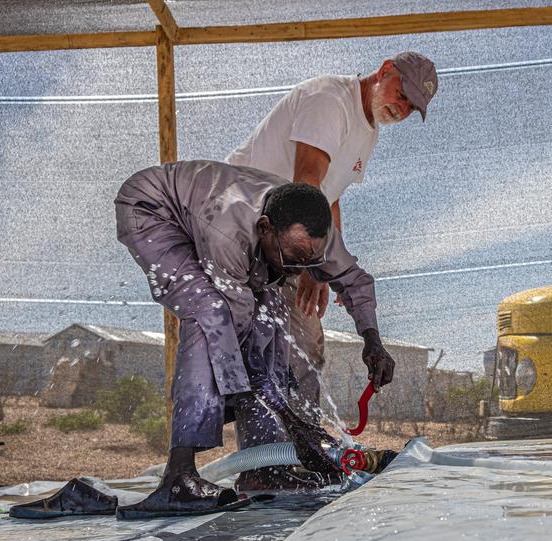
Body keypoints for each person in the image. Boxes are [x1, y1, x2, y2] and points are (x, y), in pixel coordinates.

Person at [112, 160, 395, 518]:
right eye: (290, 260)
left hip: (215, 217)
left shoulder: (312, 236)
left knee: (273, 317)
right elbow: (231, 333)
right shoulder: (228, 233)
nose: (296, 271)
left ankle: (264, 471)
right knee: (209, 313)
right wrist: (289, 418)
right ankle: (178, 476)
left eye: (306, 263)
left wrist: (373, 340)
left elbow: (354, 280)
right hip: (153, 210)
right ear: (265, 228)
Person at [226, 51, 438, 411]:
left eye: (411, 108)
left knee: (305, 345)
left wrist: (328, 268)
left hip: (285, 236)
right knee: (265, 346)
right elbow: (307, 181)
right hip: (239, 226)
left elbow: (330, 197)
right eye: (401, 95)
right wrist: (314, 264)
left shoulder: (368, 132)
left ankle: (296, 449)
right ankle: (262, 457)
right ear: (385, 71)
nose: (401, 110)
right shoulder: (330, 100)